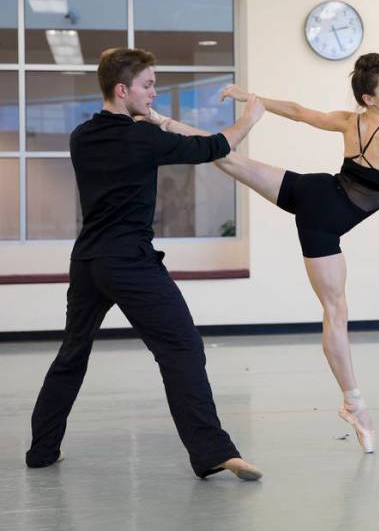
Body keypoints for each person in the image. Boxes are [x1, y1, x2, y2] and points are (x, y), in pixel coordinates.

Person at [146, 0, 379, 454]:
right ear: (369, 97)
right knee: (336, 314)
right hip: (323, 219)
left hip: (313, 197)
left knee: (228, 160)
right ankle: (354, 404)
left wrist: (254, 99)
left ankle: (162, 121)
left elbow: (295, 110)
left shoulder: (350, 120)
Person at [26, 48, 265, 480]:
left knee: (72, 353)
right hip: (129, 262)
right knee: (182, 347)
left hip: (88, 261)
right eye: (148, 85)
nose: (154, 93)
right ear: (123, 90)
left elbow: (136, 142)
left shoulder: (81, 136)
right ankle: (210, 450)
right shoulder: (140, 139)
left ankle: (42, 450)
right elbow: (213, 146)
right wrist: (252, 116)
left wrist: (152, 122)